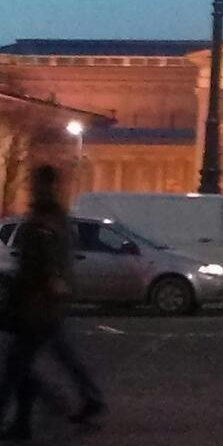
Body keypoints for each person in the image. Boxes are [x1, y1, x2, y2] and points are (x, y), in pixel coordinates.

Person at [0, 165, 104, 440]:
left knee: (15, 367)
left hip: (36, 305)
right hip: (44, 305)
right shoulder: (57, 219)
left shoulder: (44, 221)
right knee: (36, 362)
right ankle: (78, 401)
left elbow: (41, 265)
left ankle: (53, 407)